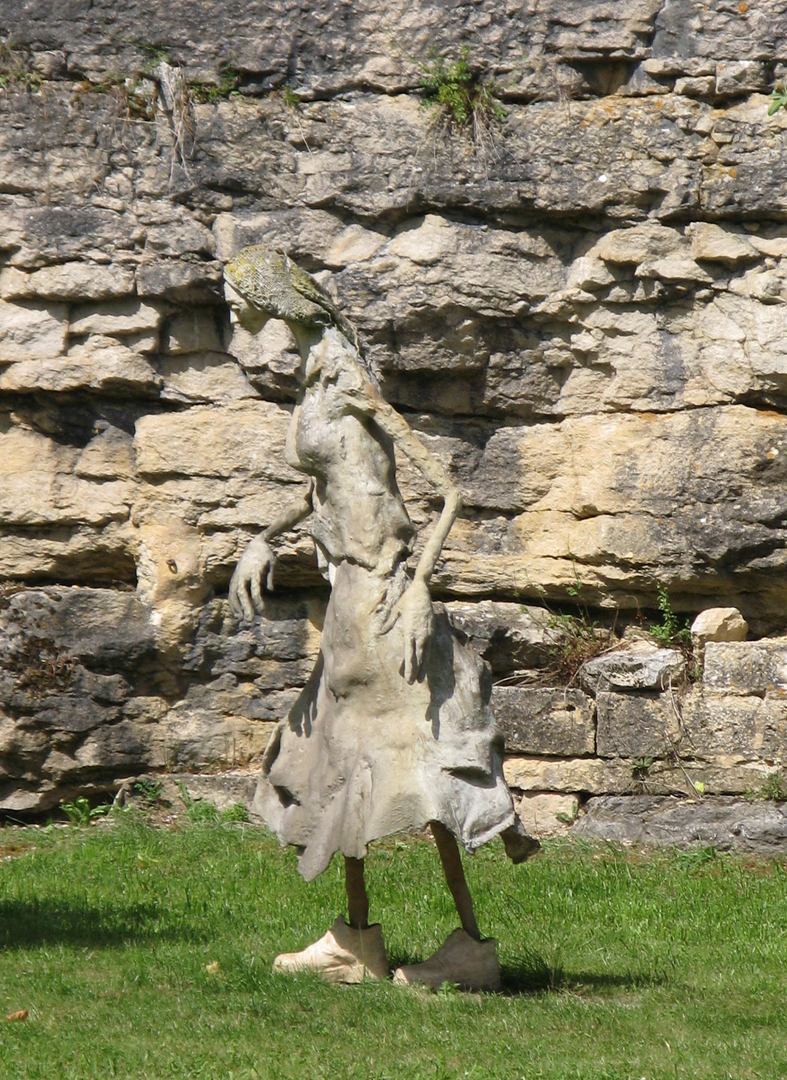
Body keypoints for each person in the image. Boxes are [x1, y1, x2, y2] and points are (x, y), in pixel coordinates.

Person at [224, 245, 537, 990]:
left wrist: (422, 582)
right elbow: (331, 488)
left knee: (421, 766)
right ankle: (355, 940)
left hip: (388, 602)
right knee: (345, 761)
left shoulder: (349, 381)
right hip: (348, 605)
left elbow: (447, 488)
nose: (231, 307)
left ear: (275, 295)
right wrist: (263, 537)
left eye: (238, 292)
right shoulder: (311, 376)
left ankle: (471, 949)